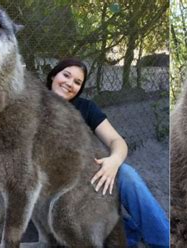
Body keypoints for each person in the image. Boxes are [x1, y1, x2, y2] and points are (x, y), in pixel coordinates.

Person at [46, 58, 169, 247]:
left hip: (87, 176)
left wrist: (114, 161)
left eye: (77, 82)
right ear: (54, 75)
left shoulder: (86, 108)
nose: (70, 83)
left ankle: (164, 241)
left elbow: (117, 141)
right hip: (53, 188)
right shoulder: (33, 107)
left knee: (127, 174)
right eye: (66, 75)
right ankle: (128, 232)